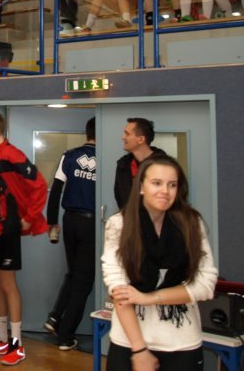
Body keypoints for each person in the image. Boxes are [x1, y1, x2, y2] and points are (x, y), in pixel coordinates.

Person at [102, 156, 218, 369]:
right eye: (156, 183)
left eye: (172, 185)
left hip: (181, 342)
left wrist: (148, 298)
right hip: (129, 342)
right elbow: (119, 291)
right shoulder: (119, 224)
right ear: (141, 187)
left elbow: (205, 285)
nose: (165, 191)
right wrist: (139, 350)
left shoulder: (192, 223)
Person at [0, 111, 48, 366]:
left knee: (7, 283)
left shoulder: (12, 154)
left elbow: (39, 185)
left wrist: (29, 217)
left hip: (8, 228)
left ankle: (17, 343)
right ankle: (1, 337)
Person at [44, 117, 97, 352]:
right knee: (83, 281)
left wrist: (51, 222)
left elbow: (56, 190)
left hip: (70, 221)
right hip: (92, 223)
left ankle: (55, 317)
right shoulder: (107, 158)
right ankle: (65, 336)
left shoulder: (70, 155)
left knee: (74, 272)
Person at [114, 118, 166, 210]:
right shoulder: (123, 165)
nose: (123, 137)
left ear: (141, 139)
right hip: (130, 217)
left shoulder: (164, 165)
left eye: (127, 134)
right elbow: (120, 197)